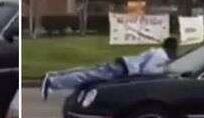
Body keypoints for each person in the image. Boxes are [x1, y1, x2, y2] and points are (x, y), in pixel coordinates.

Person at [41, 37, 179, 100]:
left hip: (123, 65)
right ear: (172, 48)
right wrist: (164, 70)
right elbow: (148, 71)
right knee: (88, 76)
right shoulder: (162, 56)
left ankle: (54, 78)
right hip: (124, 70)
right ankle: (52, 82)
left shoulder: (157, 51)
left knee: (90, 73)